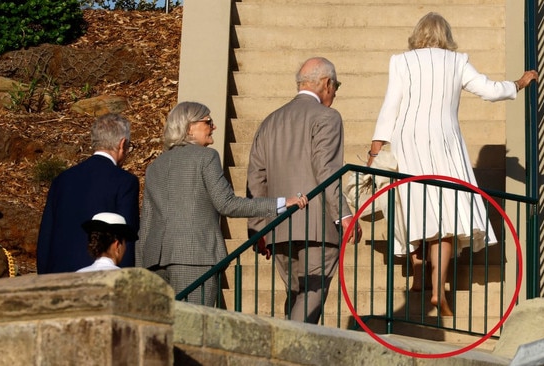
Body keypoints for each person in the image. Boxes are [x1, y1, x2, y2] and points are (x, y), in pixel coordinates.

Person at [367, 12, 539, 316]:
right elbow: (489, 90)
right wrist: (519, 83)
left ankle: (420, 278)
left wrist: (376, 146)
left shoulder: (401, 62)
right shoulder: (457, 62)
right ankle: (437, 289)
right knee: (447, 216)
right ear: (446, 35)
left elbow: (390, 105)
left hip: (409, 141)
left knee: (419, 210)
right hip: (446, 142)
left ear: (417, 34)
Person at [137, 101, 307, 306]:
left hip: (153, 262)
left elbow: (146, 222)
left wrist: (140, 268)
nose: (214, 127)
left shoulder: (155, 166)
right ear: (189, 127)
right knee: (195, 329)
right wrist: (281, 203)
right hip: (194, 258)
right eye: (208, 122)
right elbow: (227, 204)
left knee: (162, 330)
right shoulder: (206, 157)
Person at [247, 57, 361, 324]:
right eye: (336, 86)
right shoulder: (327, 116)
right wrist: (344, 215)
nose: (334, 91)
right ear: (326, 83)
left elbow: (256, 179)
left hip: (278, 226)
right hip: (317, 225)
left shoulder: (270, 122)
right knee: (311, 296)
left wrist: (258, 226)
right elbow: (327, 170)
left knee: (297, 294)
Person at [37, 113, 139, 274]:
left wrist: (44, 278)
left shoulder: (62, 180)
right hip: (98, 279)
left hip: (58, 276)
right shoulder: (125, 182)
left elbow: (45, 237)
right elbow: (125, 236)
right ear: (122, 144)